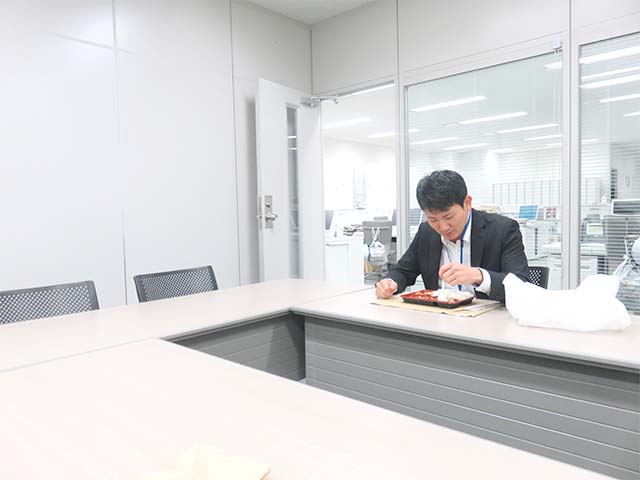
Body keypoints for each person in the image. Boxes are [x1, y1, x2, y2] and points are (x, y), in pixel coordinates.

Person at [376, 170, 529, 302]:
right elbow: (403, 271)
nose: (443, 227)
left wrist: (479, 276)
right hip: (438, 318)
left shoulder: (502, 230)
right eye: (433, 219)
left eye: (449, 217)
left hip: (488, 321)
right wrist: (390, 283)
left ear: (467, 203)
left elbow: (521, 284)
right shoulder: (426, 232)